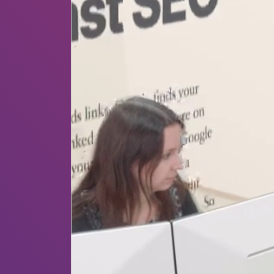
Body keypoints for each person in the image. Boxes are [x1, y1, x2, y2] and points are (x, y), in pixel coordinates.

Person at [72, 97, 199, 233]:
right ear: (128, 159)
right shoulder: (78, 221)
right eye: (166, 155)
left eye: (178, 151)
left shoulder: (177, 195)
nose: (178, 165)